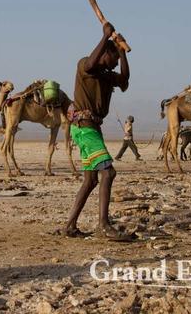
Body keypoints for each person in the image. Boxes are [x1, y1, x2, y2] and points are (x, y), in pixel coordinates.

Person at [63, 22, 130, 240]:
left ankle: (70, 225)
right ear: (105, 54)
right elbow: (92, 62)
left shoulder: (106, 75)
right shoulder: (85, 66)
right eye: (114, 58)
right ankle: (103, 225)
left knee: (91, 180)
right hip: (84, 128)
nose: (115, 63)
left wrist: (122, 51)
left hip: (91, 128)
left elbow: (125, 82)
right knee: (108, 173)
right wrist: (104, 37)